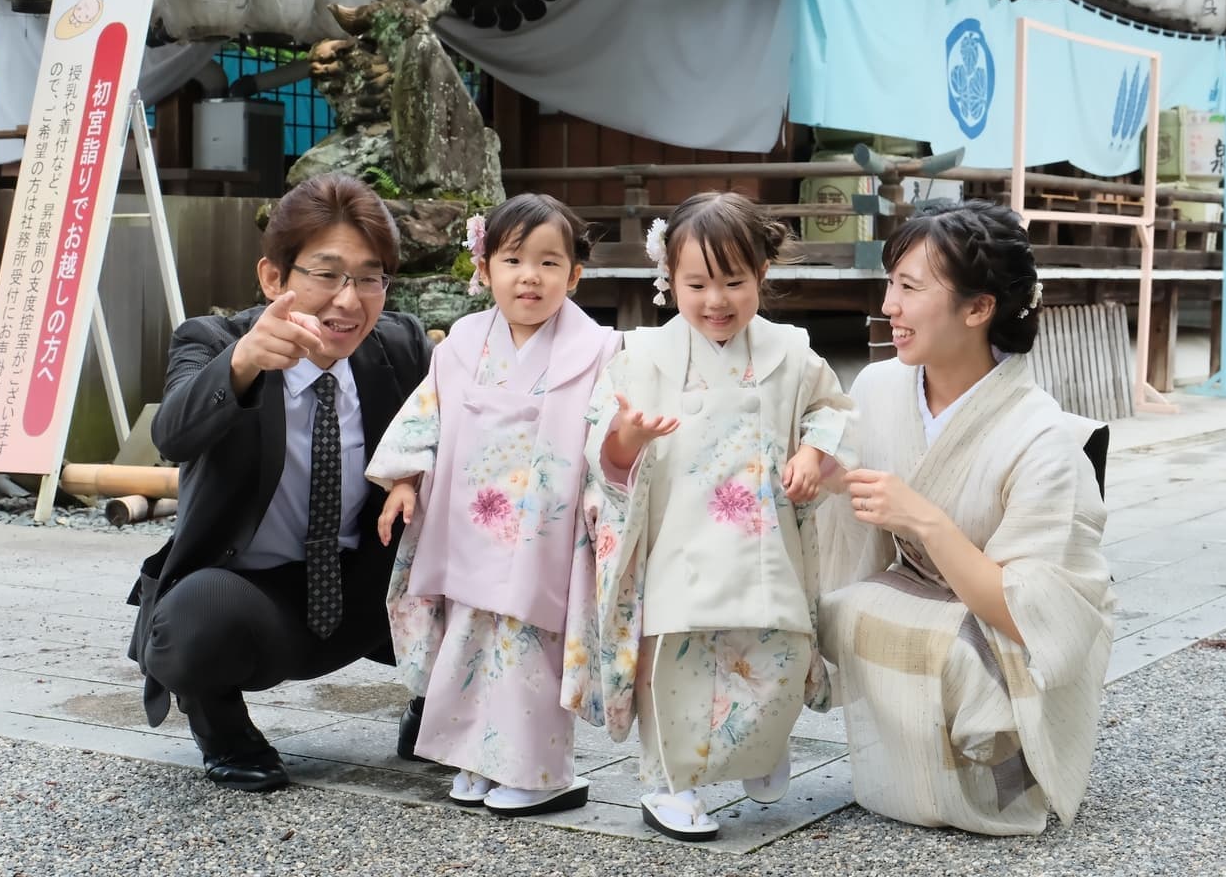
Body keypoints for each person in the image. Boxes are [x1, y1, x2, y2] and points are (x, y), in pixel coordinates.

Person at [815, 200, 1116, 836]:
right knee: (844, 608)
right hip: (928, 598)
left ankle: (1007, 771)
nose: (889, 305)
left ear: (979, 309)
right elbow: (851, 545)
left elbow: (1029, 615)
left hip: (1002, 636)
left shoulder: (1041, 438)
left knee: (948, 643)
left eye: (911, 288)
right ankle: (916, 769)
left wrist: (925, 522)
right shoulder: (877, 388)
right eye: (891, 283)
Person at [126, 173, 433, 792]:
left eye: (369, 277)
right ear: (274, 279)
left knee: (488, 554)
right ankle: (225, 733)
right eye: (326, 274)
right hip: (250, 594)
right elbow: (174, 437)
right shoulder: (212, 341)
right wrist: (240, 365)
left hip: (366, 587)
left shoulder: (400, 348)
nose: (349, 301)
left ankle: (440, 711)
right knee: (196, 615)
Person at [567, 192, 855, 842]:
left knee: (776, 653)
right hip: (680, 541)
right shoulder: (642, 357)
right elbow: (600, 451)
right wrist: (626, 441)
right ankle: (670, 787)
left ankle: (753, 746)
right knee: (677, 671)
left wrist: (813, 451)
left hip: (763, 544)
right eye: (696, 283)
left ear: (762, 277)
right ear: (667, 280)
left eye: (734, 281)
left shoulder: (792, 352)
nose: (715, 301)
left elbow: (832, 411)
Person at [364, 193, 619, 817]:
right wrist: (401, 482)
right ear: (485, 268)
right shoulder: (460, 345)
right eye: (512, 260)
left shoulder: (598, 349)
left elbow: (606, 432)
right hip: (468, 520)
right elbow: (428, 413)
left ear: (575, 275)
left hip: (544, 528)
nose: (529, 276)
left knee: (530, 644)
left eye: (549, 263)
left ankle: (536, 772)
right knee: (467, 639)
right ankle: (475, 758)